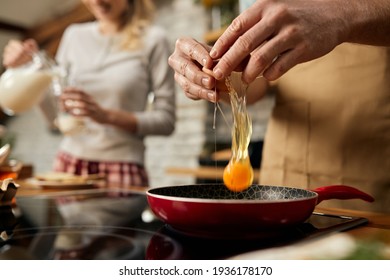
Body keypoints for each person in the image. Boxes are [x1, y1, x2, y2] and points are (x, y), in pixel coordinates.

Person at [168, 0, 390, 213]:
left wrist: (343, 16)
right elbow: (253, 79)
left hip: (368, 172)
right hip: (282, 181)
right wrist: (213, 71)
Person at [2, 0, 176, 187]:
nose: (96, 1)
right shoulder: (73, 35)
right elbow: (55, 118)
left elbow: (166, 122)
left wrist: (106, 115)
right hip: (67, 164)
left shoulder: (154, 40)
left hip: (123, 168)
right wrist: (30, 72)